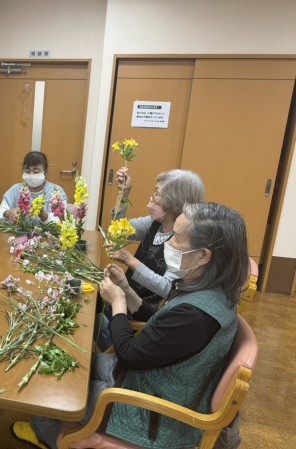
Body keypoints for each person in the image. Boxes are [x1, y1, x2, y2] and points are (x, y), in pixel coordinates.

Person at [14, 202, 249, 449]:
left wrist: (118, 304)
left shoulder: (197, 316)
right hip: (147, 379)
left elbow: (128, 355)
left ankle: (48, 438)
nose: (168, 244)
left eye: (177, 239)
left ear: (203, 256)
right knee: (63, 360)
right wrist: (126, 290)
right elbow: (162, 326)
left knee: (49, 389)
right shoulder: (212, 291)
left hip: (149, 414)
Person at [109, 167, 205, 304]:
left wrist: (130, 261)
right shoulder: (154, 223)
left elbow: (167, 288)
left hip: (145, 309)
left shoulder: (184, 241)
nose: (151, 197)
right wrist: (123, 195)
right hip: (126, 296)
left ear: (174, 202)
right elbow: (118, 230)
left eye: (157, 193)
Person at [0, 151, 68, 226]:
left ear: (45, 172)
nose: (31, 174)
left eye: (36, 171)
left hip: (46, 233)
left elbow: (63, 222)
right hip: (18, 233)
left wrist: (44, 216)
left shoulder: (56, 192)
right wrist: (7, 213)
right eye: (27, 171)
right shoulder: (15, 190)